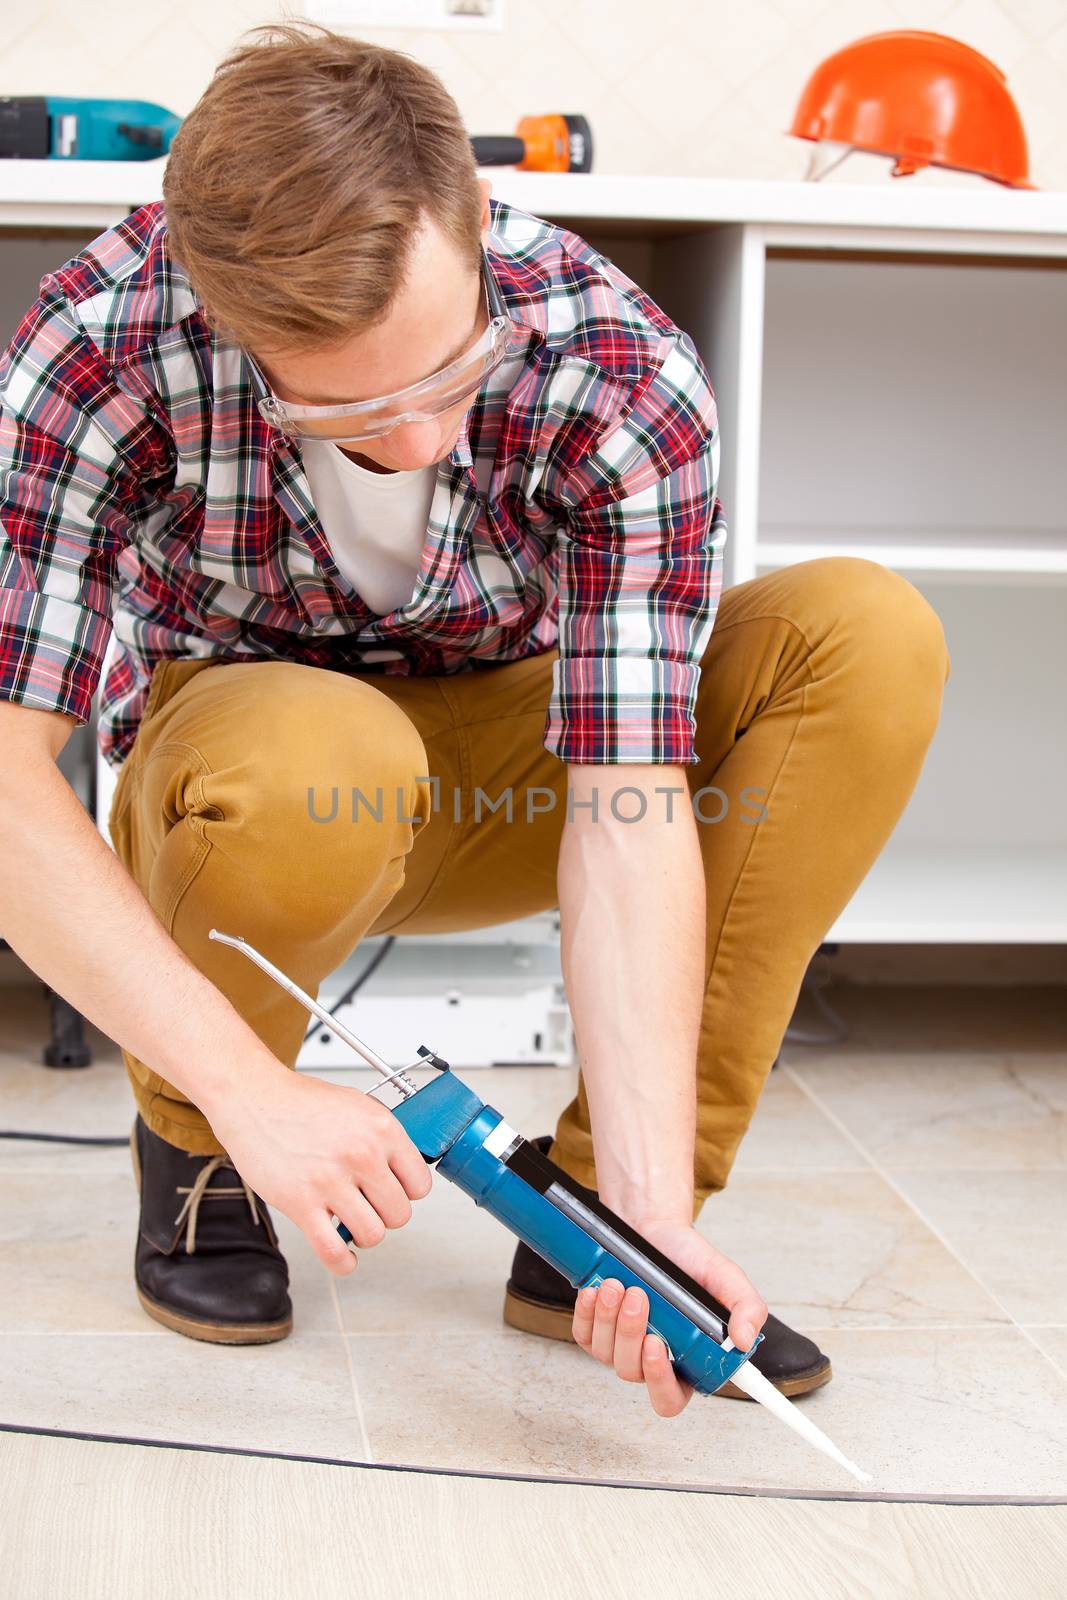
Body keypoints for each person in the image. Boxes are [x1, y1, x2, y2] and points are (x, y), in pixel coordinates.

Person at [0, 23, 950, 1419]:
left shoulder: (613, 357)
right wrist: (246, 1094)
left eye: (454, 368)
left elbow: (631, 809)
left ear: (473, 224)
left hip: (524, 774)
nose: (434, 436)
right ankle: (205, 1154)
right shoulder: (98, 349)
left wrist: (638, 1208)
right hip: (267, 779)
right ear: (226, 316)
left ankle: (597, 1243)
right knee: (320, 755)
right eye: (361, 406)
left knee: (863, 637)